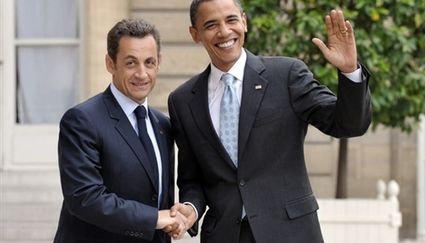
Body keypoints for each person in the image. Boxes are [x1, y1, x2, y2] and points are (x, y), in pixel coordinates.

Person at [167, 0, 372, 242]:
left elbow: (348, 124)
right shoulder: (182, 101)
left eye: (231, 20)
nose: (224, 32)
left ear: (244, 21)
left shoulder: (286, 75)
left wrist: (350, 72)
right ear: (195, 34)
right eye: (211, 25)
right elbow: (193, 179)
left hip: (290, 233)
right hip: (225, 235)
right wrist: (191, 207)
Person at [53, 18, 186, 243]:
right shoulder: (81, 120)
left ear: (159, 63)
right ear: (110, 63)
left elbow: (160, 197)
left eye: (149, 62)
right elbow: (85, 198)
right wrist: (154, 218)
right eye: (131, 63)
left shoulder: (162, 125)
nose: (142, 74)